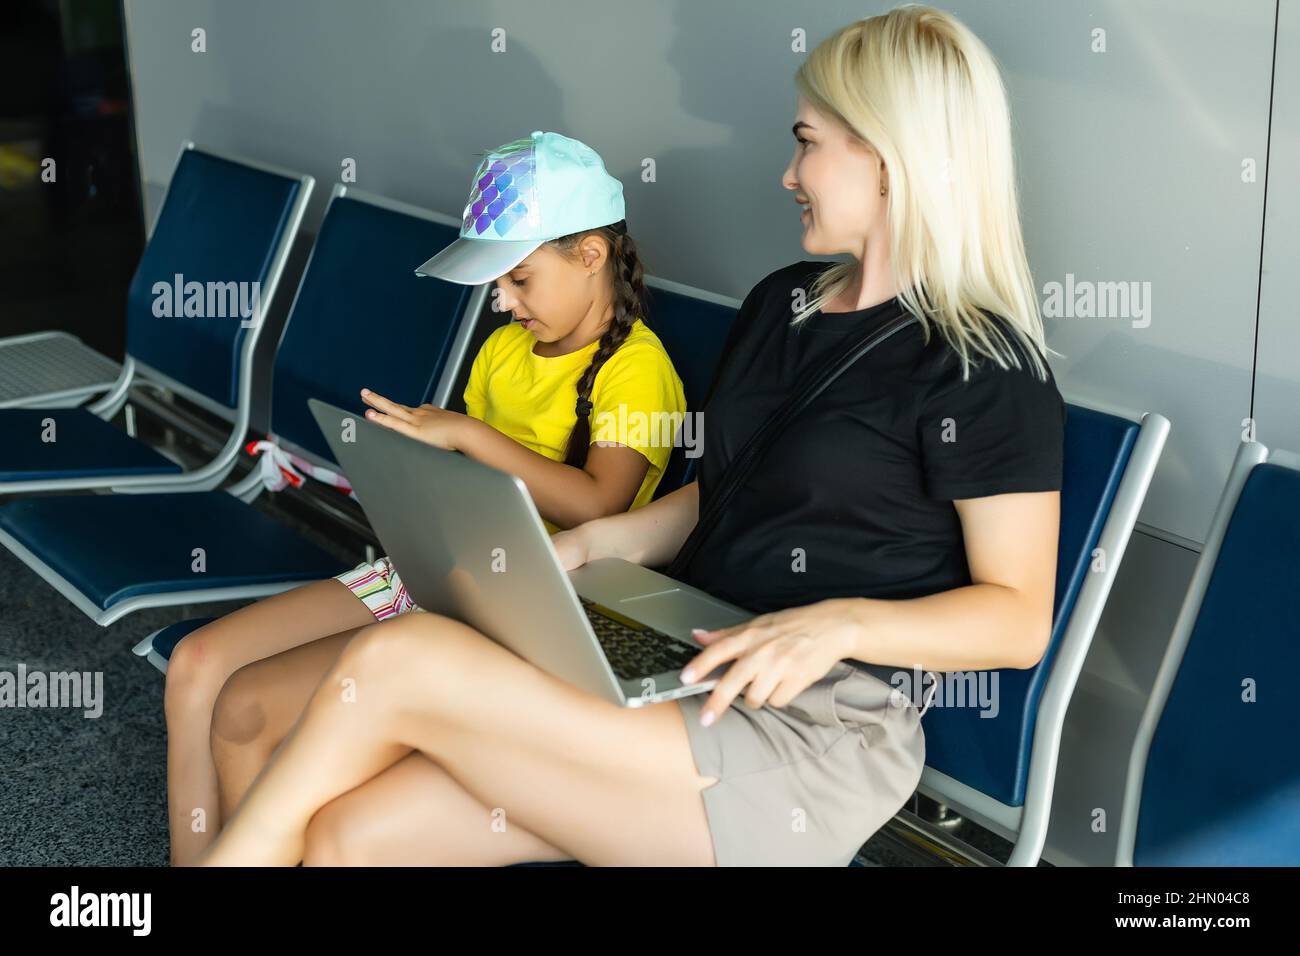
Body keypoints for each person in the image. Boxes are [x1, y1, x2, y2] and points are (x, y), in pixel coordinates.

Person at [197, 5, 1064, 867]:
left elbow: (1018, 619)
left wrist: (833, 625)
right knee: (349, 835)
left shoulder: (986, 366)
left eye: (807, 141)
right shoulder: (784, 303)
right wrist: (585, 550)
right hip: (688, 659)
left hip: (810, 730)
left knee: (402, 656)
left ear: (888, 154)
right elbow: (722, 494)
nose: (788, 173)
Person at [163, 131, 686, 865]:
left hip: (521, 605)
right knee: (197, 663)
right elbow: (462, 482)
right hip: (438, 571)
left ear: (591, 255)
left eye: (519, 279)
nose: (501, 303)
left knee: (249, 709)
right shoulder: (506, 350)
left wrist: (471, 438)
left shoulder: (637, 369)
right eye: (496, 284)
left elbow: (601, 507)